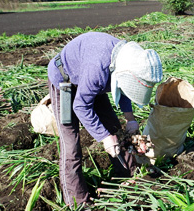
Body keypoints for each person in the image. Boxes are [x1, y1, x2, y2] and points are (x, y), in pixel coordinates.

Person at [47, 31, 162, 207]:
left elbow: (125, 89)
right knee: (71, 146)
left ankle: (129, 178)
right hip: (65, 82)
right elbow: (80, 106)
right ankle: (78, 203)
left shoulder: (128, 61)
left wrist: (130, 120)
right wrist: (104, 138)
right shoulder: (98, 69)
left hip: (89, 80)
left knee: (115, 130)